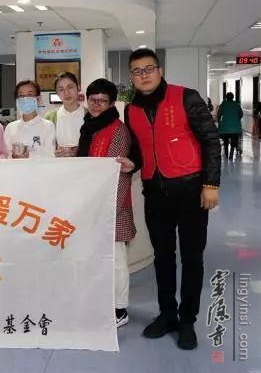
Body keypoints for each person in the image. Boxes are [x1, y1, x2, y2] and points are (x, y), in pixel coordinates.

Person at [120, 48, 221, 350]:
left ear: (160, 70)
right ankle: (167, 314)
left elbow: (210, 140)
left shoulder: (186, 97)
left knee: (192, 257)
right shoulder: (131, 110)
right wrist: (132, 163)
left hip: (190, 191)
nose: (144, 75)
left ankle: (187, 319)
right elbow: (139, 149)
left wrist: (211, 183)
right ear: (131, 77)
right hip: (155, 193)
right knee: (162, 257)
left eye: (149, 68)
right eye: (137, 71)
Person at [77, 79, 135, 328]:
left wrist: (109, 211)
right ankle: (101, 302)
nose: (96, 105)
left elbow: (119, 175)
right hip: (90, 206)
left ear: (112, 103)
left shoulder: (118, 130)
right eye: (93, 100)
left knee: (116, 260)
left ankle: (120, 309)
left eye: (102, 101)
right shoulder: (88, 127)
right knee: (97, 259)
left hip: (113, 208)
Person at [4, 79, 56, 158]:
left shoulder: (48, 126)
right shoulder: (10, 127)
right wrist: (13, 156)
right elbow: (5, 154)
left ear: (38, 99)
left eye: (30, 95)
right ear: (17, 100)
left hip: (39, 166)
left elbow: (50, 155)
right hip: (15, 166)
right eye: (21, 95)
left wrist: (29, 155)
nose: (25, 98)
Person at [43, 72, 86, 157]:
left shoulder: (90, 116)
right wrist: (53, 153)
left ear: (78, 87)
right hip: (58, 164)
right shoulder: (50, 117)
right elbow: (43, 147)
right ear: (57, 93)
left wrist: (80, 152)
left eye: (70, 87)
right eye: (61, 89)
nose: (66, 93)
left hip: (85, 164)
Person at [217, 92, 243, 159]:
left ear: (226, 97)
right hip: (235, 129)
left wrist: (219, 123)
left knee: (225, 141)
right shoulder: (237, 105)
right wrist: (236, 119)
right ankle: (231, 153)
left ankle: (226, 154)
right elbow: (241, 114)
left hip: (224, 128)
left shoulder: (223, 105)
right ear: (233, 97)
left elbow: (218, 115)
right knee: (234, 140)